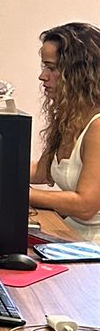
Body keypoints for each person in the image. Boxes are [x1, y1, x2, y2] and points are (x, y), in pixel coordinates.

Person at [29, 21, 100, 237]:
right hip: (72, 233)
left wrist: (23, 194)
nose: (43, 76)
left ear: (79, 73)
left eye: (51, 68)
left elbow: (85, 205)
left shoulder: (97, 126)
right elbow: (42, 172)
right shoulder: (70, 117)